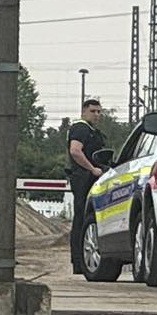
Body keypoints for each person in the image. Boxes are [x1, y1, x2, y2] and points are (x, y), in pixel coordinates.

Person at [67, 97, 107, 275]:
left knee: (85, 217)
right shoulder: (81, 128)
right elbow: (75, 151)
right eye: (93, 111)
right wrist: (92, 169)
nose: (97, 115)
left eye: (99, 111)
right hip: (83, 177)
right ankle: (78, 261)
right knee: (82, 219)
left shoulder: (92, 131)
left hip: (88, 176)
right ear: (84, 112)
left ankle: (81, 261)